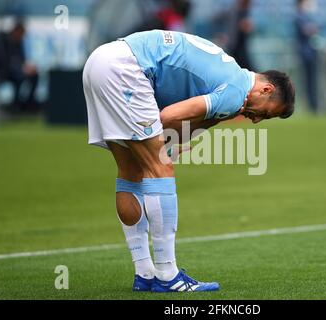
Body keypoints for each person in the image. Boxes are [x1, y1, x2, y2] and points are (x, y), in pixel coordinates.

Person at [82, 29, 295, 292]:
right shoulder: (236, 92)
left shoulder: (232, 79)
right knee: (159, 169)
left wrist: (169, 142)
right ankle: (168, 275)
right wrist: (161, 148)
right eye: (266, 114)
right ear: (266, 89)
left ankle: (145, 273)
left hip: (101, 61)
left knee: (130, 171)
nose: (257, 120)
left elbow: (190, 123)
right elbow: (168, 116)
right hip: (127, 69)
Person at [0, 21, 39, 113]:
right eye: (21, 34)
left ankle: (28, 104)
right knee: (19, 79)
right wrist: (21, 69)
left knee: (34, 76)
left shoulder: (19, 42)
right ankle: (15, 106)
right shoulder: (2, 41)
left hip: (15, 71)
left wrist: (27, 67)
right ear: (16, 31)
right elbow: (3, 62)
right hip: (1, 72)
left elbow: (22, 60)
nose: (22, 37)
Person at [294, 0, 318, 113]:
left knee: (312, 81)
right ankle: (310, 105)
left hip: (310, 53)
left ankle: (314, 104)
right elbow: (308, 31)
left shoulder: (306, 17)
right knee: (308, 81)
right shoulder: (299, 17)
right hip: (305, 54)